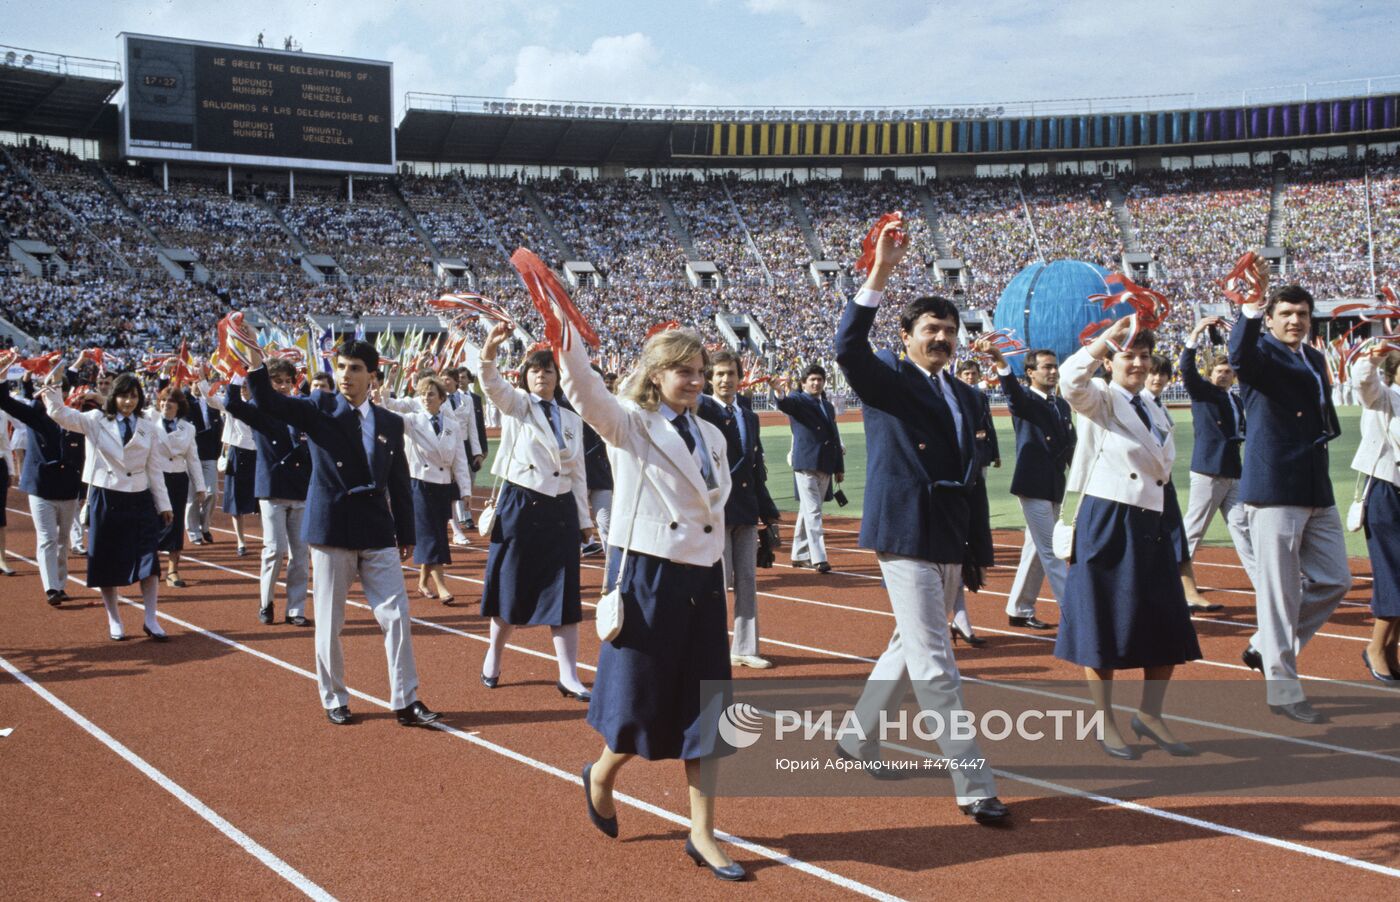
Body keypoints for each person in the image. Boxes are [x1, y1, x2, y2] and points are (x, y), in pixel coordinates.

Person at [833, 218, 1008, 824]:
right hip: (905, 531)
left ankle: (856, 736)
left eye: (950, 331)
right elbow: (848, 349)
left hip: (950, 534)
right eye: (930, 329)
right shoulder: (888, 383)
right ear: (905, 335)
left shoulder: (966, 397)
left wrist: (977, 546)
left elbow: (974, 475)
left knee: (909, 646)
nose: (942, 338)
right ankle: (973, 782)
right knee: (936, 658)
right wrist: (879, 273)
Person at [555, 321, 743, 880]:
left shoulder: (712, 434)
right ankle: (602, 774)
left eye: (700, 372)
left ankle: (703, 833)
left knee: (708, 711)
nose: (695, 380)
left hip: (703, 583)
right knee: (640, 707)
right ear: (655, 374)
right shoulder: (631, 424)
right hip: (649, 579)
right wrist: (566, 338)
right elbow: (584, 391)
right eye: (683, 370)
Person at [242, 339, 441, 728]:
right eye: (341, 367)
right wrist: (254, 360)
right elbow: (267, 401)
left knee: (397, 616)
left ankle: (406, 700)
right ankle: (334, 697)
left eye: (354, 368)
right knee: (331, 622)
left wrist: (407, 532)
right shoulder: (320, 408)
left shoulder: (388, 422)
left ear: (372, 375)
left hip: (377, 529)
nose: (345, 375)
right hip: (332, 526)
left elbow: (399, 480)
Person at [1057, 316, 1202, 759]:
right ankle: (1105, 721)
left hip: (1152, 521)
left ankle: (1150, 714)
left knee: (1167, 620)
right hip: (1108, 519)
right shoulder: (1098, 399)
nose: (1137, 363)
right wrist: (1104, 341)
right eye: (1128, 356)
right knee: (1104, 621)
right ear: (1109, 362)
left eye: (1143, 355)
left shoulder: (1154, 406)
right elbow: (1069, 378)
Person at [1229, 276, 1350, 724]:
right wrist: (1248, 309)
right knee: (1279, 595)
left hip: (1315, 484)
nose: (1295, 320)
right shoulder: (1260, 354)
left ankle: (1264, 646)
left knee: (1335, 578)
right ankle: (1283, 690)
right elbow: (1239, 356)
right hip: (1276, 485)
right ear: (1271, 320)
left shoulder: (1315, 357)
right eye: (1286, 314)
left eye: (1302, 314)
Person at [477, 327, 594, 700]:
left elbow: (578, 473)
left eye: (548, 371)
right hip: (521, 507)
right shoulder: (519, 405)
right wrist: (490, 352)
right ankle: (494, 654)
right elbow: (492, 384)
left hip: (559, 512)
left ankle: (569, 674)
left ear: (558, 378)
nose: (541, 376)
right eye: (535, 371)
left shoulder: (572, 420)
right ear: (525, 377)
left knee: (565, 595)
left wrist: (584, 519)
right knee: (511, 588)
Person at [40, 372, 174, 642]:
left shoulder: (148, 426)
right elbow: (59, 413)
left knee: (149, 561)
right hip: (106, 496)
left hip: (139, 497)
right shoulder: (96, 420)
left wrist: (164, 504)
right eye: (124, 396)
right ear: (114, 397)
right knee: (106, 561)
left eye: (133, 396)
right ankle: (115, 619)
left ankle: (151, 618)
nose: (128, 401)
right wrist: (51, 386)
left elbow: (155, 468)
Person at [699, 349, 781, 670]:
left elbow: (754, 468)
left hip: (746, 510)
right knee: (717, 583)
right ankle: (711, 646)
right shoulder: (701, 411)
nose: (725, 380)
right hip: (714, 511)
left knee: (747, 580)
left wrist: (769, 512)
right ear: (710, 378)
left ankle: (745, 647)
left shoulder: (750, 416)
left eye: (731, 374)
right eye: (719, 374)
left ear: (739, 377)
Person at [222, 360, 312, 626]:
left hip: (300, 488)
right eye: (277, 381)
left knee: (299, 553)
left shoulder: (300, 408)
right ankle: (266, 602)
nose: (283, 386)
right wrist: (238, 377)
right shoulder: (259, 409)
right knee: (274, 549)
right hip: (272, 486)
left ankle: (296, 608)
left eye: (287, 381)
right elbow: (232, 405)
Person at [992, 346, 1076, 630]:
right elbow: (1013, 396)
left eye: (1055, 366)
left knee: (1036, 549)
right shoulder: (1026, 399)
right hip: (1033, 485)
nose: (1053, 371)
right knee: (1053, 551)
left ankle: (1019, 608)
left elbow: (1070, 448)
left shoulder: (1061, 405)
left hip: (1056, 486)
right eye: (1046, 367)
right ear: (1030, 372)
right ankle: (1075, 615)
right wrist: (1003, 365)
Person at [378, 375, 473, 604]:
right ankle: (442, 586)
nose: (426, 398)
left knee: (438, 533)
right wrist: (382, 396)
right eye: (422, 394)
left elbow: (460, 459)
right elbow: (388, 417)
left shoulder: (452, 426)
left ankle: (422, 582)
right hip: (419, 484)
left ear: (441, 398)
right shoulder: (413, 420)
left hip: (442, 486)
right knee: (431, 535)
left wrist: (466, 490)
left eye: (431, 394)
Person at [1178, 316, 1251, 611]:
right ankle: (1174, 583)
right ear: (1210, 374)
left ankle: (1266, 584)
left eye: (1229, 372)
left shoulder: (1235, 400)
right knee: (1193, 530)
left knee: (1243, 529)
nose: (1224, 375)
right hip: (1209, 471)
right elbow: (1185, 368)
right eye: (1220, 371)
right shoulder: (1203, 393)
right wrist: (1195, 333)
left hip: (1233, 471)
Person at [0, 363, 85, 603]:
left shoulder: (76, 417)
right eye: (47, 390)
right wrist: (3, 376)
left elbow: (83, 454)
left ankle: (60, 584)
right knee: (47, 538)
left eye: (57, 389)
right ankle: (51, 588)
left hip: (68, 486)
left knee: (63, 540)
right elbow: (5, 401)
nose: (50, 394)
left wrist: (83, 488)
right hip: (41, 486)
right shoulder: (35, 414)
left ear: (65, 394)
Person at [1348, 348, 1400, 682]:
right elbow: (1363, 382)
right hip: (1387, 494)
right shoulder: (1384, 397)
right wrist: (1372, 358)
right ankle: (1375, 648)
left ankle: (1390, 648)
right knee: (1393, 574)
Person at [1144, 353, 1201, 608]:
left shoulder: (1158, 404)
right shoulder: (1140, 403)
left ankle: (1187, 592)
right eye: (1152, 373)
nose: (1157, 378)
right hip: (1146, 483)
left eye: (1162, 373)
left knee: (1175, 533)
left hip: (1164, 481)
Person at [776, 364, 843, 574]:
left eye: (819, 380)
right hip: (805, 464)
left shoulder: (828, 406)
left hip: (825, 464)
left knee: (809, 511)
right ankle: (819, 558)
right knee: (814, 511)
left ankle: (798, 554)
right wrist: (780, 391)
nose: (816, 383)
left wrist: (839, 467)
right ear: (803, 383)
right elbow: (785, 403)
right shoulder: (798, 401)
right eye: (812, 380)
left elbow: (834, 436)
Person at [148, 387, 206, 590]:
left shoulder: (188, 429)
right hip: (155, 477)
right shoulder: (149, 422)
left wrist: (200, 486)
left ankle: (172, 570)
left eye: (171, 401)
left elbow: (193, 458)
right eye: (163, 401)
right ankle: (151, 566)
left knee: (175, 523)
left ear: (179, 406)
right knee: (152, 521)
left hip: (178, 478)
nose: (166, 404)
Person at [205, 381, 258, 556]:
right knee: (236, 501)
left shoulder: (263, 402)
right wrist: (201, 380)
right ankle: (241, 542)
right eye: (241, 384)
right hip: (238, 453)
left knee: (265, 500)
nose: (244, 387)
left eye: (247, 384)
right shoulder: (232, 404)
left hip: (259, 454)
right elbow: (212, 400)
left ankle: (271, 541)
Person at [440, 368, 484, 544]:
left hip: (464, 446)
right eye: (442, 379)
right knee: (449, 487)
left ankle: (457, 522)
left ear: (455, 381)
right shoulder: (439, 400)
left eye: (448, 379)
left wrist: (477, 452)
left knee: (463, 485)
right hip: (446, 445)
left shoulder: (467, 400)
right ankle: (456, 528)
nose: (445, 382)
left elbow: (473, 427)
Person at [182, 364, 223, 546]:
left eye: (201, 382)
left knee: (211, 493)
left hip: (210, 454)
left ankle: (204, 525)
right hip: (191, 455)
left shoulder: (212, 401)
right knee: (192, 497)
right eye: (195, 382)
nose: (198, 386)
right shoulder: (185, 401)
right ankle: (193, 532)